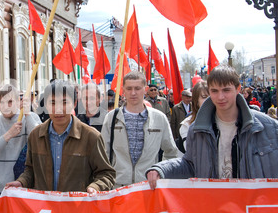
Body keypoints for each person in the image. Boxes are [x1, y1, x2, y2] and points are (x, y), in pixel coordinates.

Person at [147, 65, 278, 190]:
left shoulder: (268, 128)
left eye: (226, 90)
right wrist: (161, 169)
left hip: (254, 209)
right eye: (214, 91)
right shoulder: (196, 130)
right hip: (213, 207)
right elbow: (190, 165)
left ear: (238, 89)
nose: (220, 97)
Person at [7, 80, 115, 194]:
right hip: (45, 207)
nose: (58, 109)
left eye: (64, 102)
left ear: (74, 104)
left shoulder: (91, 136)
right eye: (53, 103)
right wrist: (21, 181)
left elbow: (106, 173)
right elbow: (30, 170)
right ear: (46, 105)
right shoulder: (35, 135)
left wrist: (96, 186)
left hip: (77, 206)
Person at [101, 71, 177, 187]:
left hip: (149, 186)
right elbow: (103, 153)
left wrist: (160, 171)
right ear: (123, 90)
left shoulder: (159, 118)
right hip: (118, 186)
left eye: (137, 88)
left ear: (145, 89)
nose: (133, 93)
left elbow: (171, 152)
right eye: (129, 88)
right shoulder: (111, 118)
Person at [0, 84, 41, 205]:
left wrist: (27, 115)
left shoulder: (31, 117)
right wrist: (8, 135)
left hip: (27, 187)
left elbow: (40, 143)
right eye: (1, 102)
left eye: (10, 101)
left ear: (19, 101)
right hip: (0, 189)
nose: (6, 106)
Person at [178, 81, 209, 153]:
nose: (208, 100)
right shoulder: (187, 125)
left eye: (211, 96)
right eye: (204, 97)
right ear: (196, 101)